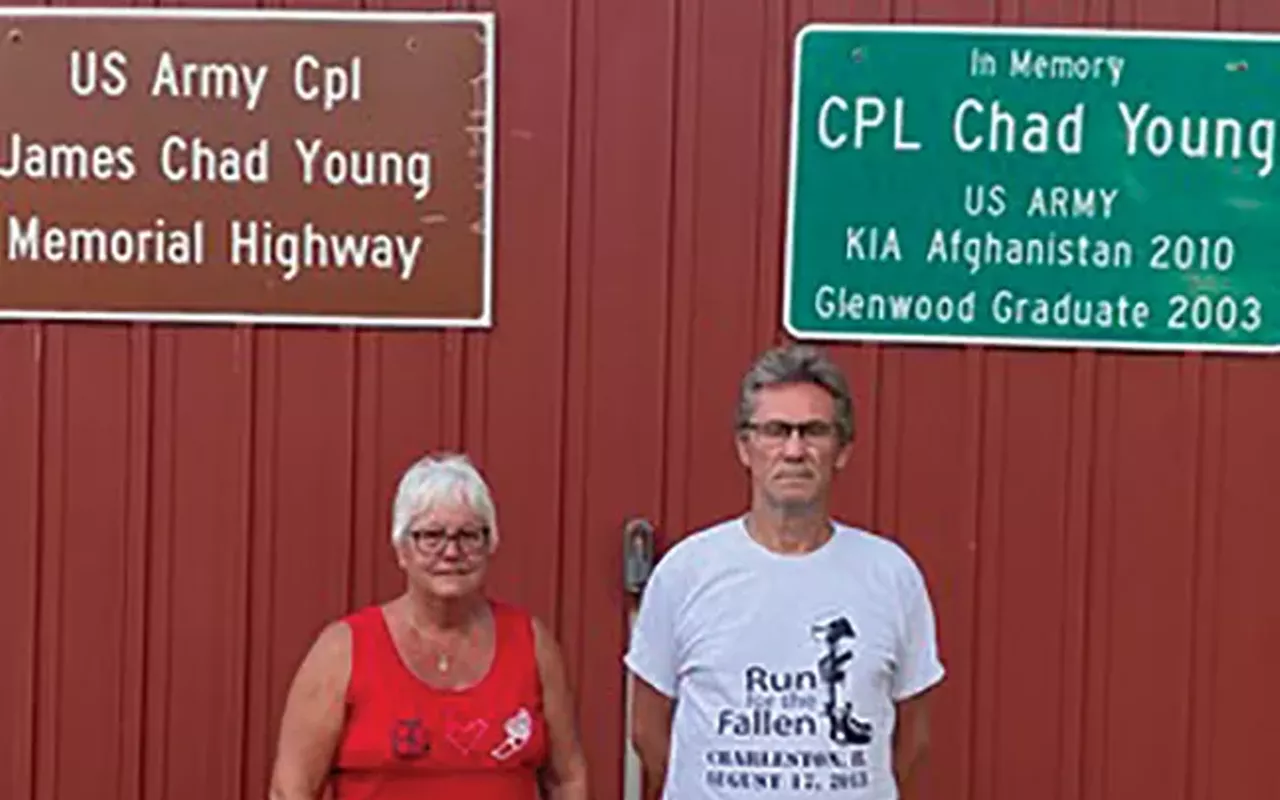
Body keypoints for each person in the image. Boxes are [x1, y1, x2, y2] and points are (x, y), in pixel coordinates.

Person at [625, 343, 945, 800]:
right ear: (744, 446)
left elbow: (913, 739)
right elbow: (647, 730)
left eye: (814, 431)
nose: (794, 450)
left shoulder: (891, 574)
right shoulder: (687, 571)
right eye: (775, 430)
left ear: (842, 449)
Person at [268, 452, 589, 800]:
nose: (451, 552)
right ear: (401, 549)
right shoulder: (342, 651)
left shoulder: (531, 644)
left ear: (490, 544)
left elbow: (566, 779)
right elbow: (292, 789)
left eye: (468, 535)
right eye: (431, 536)